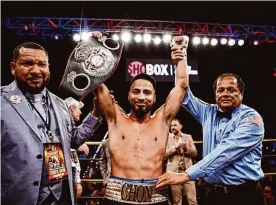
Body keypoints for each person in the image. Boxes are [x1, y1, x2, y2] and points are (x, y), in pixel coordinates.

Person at [93, 31, 190, 205]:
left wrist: (180, 54)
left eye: (147, 92)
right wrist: (95, 47)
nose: (141, 96)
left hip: (155, 196)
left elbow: (182, 85)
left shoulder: (162, 121)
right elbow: (98, 85)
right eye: (136, 91)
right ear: (129, 95)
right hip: (116, 197)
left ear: (154, 98)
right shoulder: (115, 118)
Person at [1, 42, 103, 205]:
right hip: (16, 197)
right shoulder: (1, 101)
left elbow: (74, 140)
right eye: (27, 63)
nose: (35, 70)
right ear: (13, 67)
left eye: (42, 64)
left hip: (60, 195)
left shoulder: (60, 104)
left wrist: (97, 113)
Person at [156, 73, 265, 205]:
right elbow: (183, 94)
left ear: (241, 94)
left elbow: (225, 152)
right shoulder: (209, 112)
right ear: (215, 94)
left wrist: (186, 175)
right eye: (220, 90)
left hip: (244, 195)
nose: (225, 94)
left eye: (231, 90)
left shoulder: (252, 119)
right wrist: (180, 60)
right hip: (213, 195)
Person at [166, 118, 198, 205]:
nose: (172, 127)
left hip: (188, 172)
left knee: (192, 201)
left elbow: (195, 153)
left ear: (181, 126)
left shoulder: (188, 137)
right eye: (171, 125)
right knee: (177, 201)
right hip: (174, 173)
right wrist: (174, 148)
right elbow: (164, 155)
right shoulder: (167, 138)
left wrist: (186, 148)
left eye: (175, 125)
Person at [65, 97, 91, 200]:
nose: (80, 112)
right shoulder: (65, 125)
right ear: (71, 108)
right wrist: (77, 181)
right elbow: (73, 162)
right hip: (64, 179)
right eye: (78, 109)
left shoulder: (65, 124)